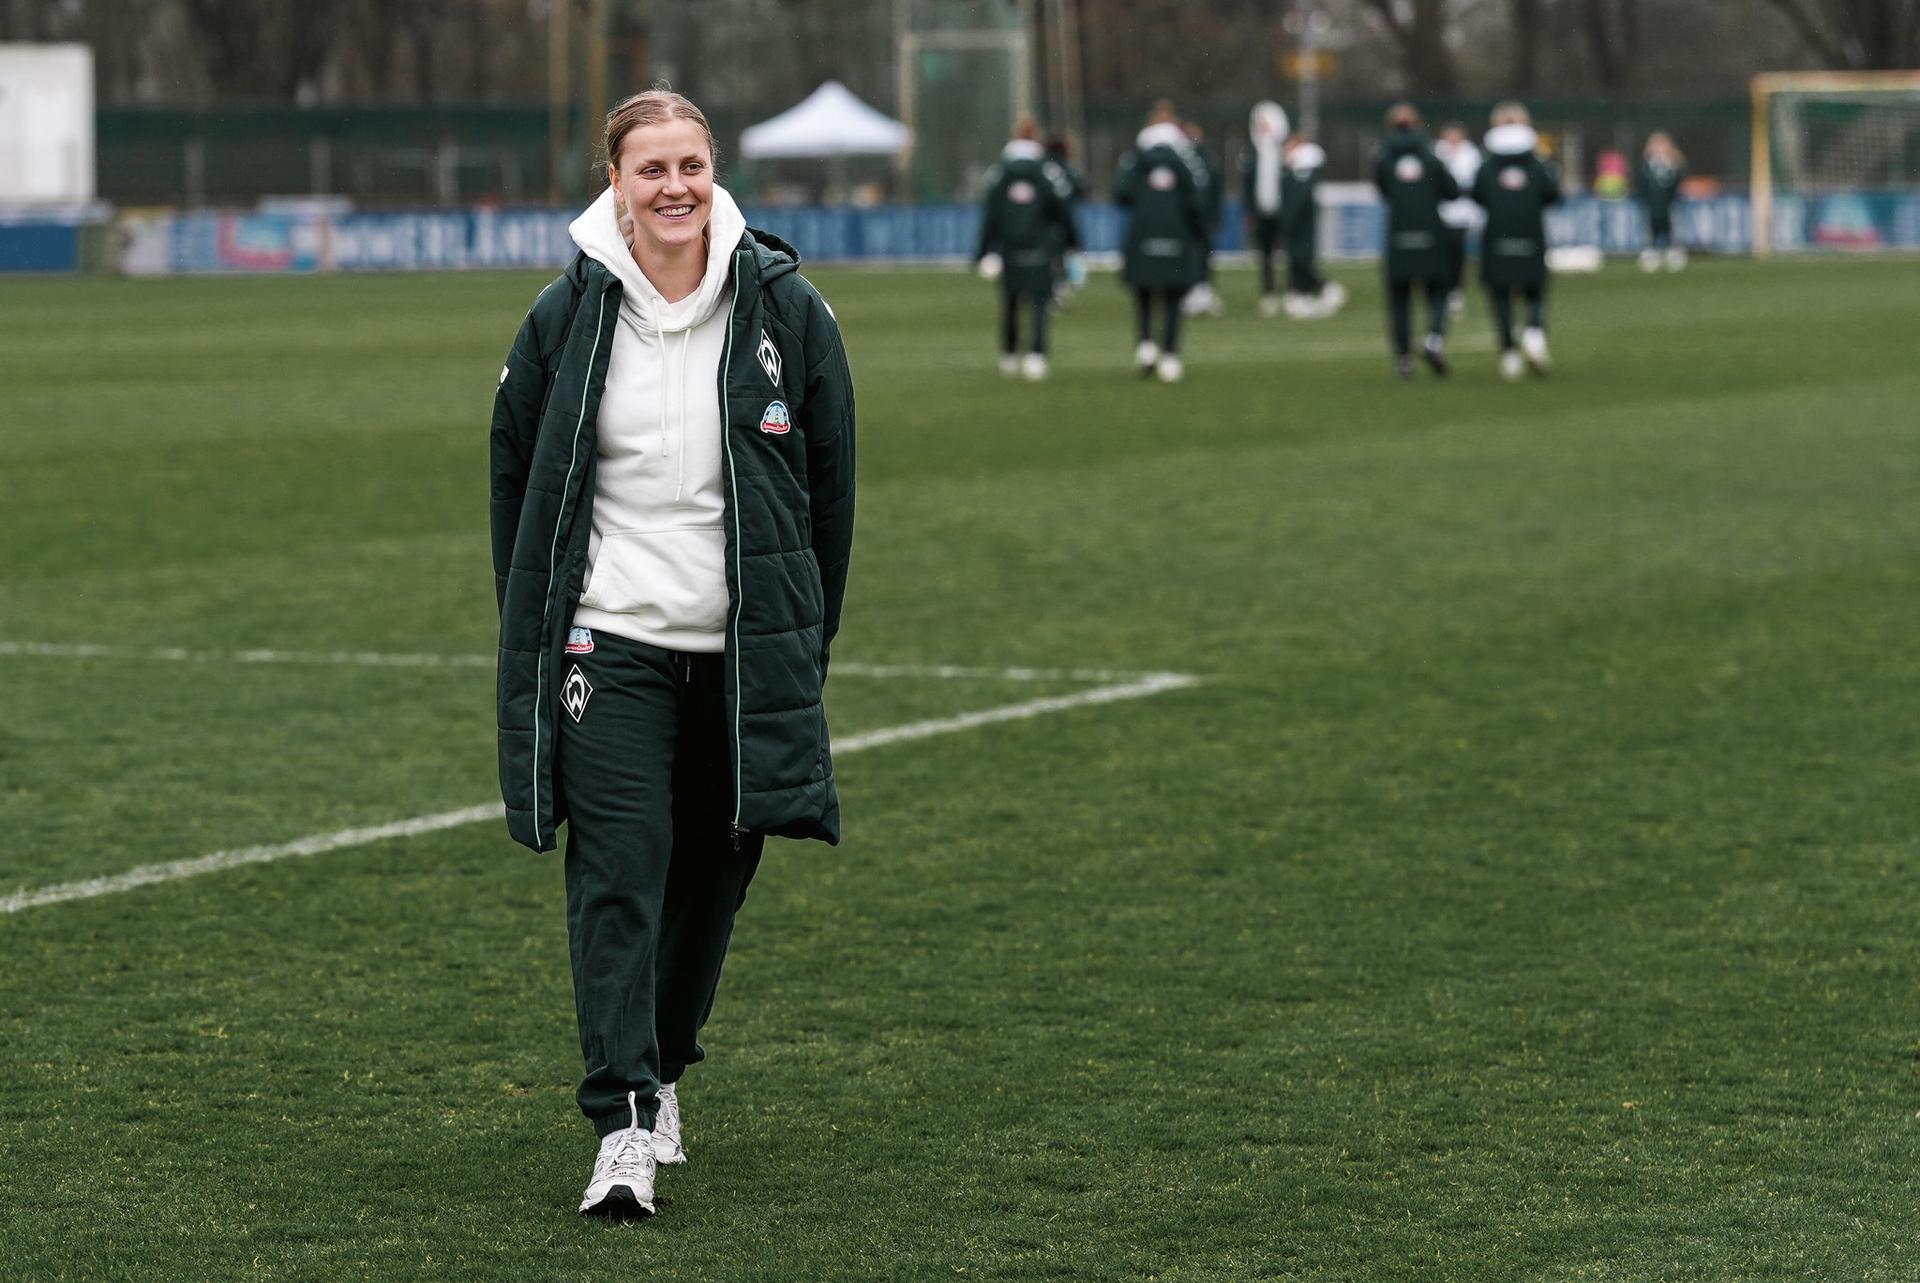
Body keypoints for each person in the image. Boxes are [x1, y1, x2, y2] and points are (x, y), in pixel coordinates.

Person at [490, 88, 856, 1221]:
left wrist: (799, 635)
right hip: (613, 642)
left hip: (740, 654)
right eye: (652, 169)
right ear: (616, 183)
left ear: (715, 172)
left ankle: (664, 1062)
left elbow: (831, 495)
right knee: (619, 871)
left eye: (692, 164)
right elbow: (518, 482)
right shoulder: (563, 316)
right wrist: (552, 625)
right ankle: (621, 1124)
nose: (676, 188)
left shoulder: (789, 313)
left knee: (710, 879)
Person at [1114, 100, 1211, 382]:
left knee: (1143, 294)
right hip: (1176, 235)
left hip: (1142, 233)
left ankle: (1146, 345)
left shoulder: (1135, 157)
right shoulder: (1187, 159)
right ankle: (1170, 356)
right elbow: (1199, 198)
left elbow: (1121, 192)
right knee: (1172, 298)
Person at [977, 117, 1079, 380]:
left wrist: (986, 250)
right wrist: (1071, 242)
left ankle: (1010, 354)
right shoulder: (1047, 172)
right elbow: (1062, 209)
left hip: (1009, 247)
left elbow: (991, 215)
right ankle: (1036, 355)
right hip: (1039, 246)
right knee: (1039, 300)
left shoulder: (999, 173)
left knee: (1010, 301)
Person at [1472, 101, 1561, 380]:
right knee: (1535, 288)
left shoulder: (1488, 163)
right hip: (1530, 230)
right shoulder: (1537, 162)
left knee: (1500, 294)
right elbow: (1552, 194)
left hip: (1497, 232)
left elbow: (1477, 194)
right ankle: (1534, 333)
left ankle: (1510, 353)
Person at [1373, 102, 1459, 378]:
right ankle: (1433, 337)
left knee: (1399, 296)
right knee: (1439, 288)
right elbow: (1451, 190)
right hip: (1431, 230)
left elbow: (1383, 189)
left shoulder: (1383, 156)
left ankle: (1403, 359)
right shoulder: (1431, 154)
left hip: (1398, 231)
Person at [1279, 131, 1344, 318]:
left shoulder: (1303, 165)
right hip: (1301, 219)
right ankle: (1309, 292)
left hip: (1301, 220)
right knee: (1299, 257)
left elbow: (1298, 197)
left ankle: (1316, 292)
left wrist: (1287, 220)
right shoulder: (1298, 165)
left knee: (1301, 257)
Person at [1240, 100, 1289, 317]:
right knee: (1265, 254)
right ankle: (1269, 292)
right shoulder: (1251, 152)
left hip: (1283, 210)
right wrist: (1250, 211)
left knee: (1288, 251)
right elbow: (1247, 186)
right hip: (1261, 211)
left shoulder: (1285, 150)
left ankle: (1292, 290)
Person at [1433, 122, 1484, 317]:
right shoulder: (1437, 153)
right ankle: (1444, 288)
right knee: (1443, 253)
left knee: (1458, 253)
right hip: (1441, 211)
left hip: (1462, 212)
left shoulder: (1470, 154)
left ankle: (1455, 290)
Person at [1181, 119, 1227, 316]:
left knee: (1204, 254)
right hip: (1187, 217)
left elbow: (1215, 188)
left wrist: (1215, 215)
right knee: (1189, 254)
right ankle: (1190, 292)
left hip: (1203, 216)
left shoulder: (1206, 158)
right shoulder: (1180, 157)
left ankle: (1204, 292)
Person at [1044, 133, 1090, 305]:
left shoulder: (1043, 167)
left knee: (1050, 256)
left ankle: (1053, 288)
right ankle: (1061, 286)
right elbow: (1081, 188)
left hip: (1045, 221)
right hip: (1063, 219)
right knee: (1065, 253)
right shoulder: (1070, 168)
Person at [1637, 132, 1686, 272]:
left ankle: (1672, 251)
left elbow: (1677, 184)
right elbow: (1642, 184)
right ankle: (1652, 251)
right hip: (1652, 204)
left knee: (1670, 226)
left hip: (1669, 204)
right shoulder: (1647, 167)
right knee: (1651, 226)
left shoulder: (1673, 166)